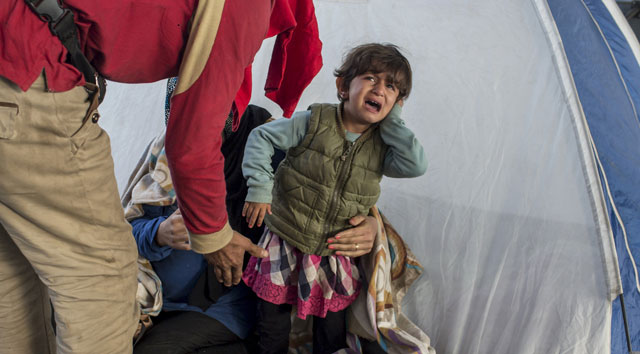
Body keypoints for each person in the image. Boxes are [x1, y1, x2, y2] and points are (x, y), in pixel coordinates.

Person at [0, 1, 322, 353]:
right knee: (102, 280)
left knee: (19, 269)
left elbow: (322, 197)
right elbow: (190, 144)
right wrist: (176, 233)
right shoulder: (165, 157)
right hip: (30, 76)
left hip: (19, 64)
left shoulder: (275, 154)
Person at [241, 43, 428, 354]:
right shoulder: (314, 122)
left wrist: (393, 121)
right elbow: (261, 137)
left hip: (334, 250)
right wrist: (259, 188)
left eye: (391, 87)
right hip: (286, 236)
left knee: (331, 330)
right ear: (343, 86)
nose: (379, 90)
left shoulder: (383, 146)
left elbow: (416, 165)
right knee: (270, 324)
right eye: (370, 78)